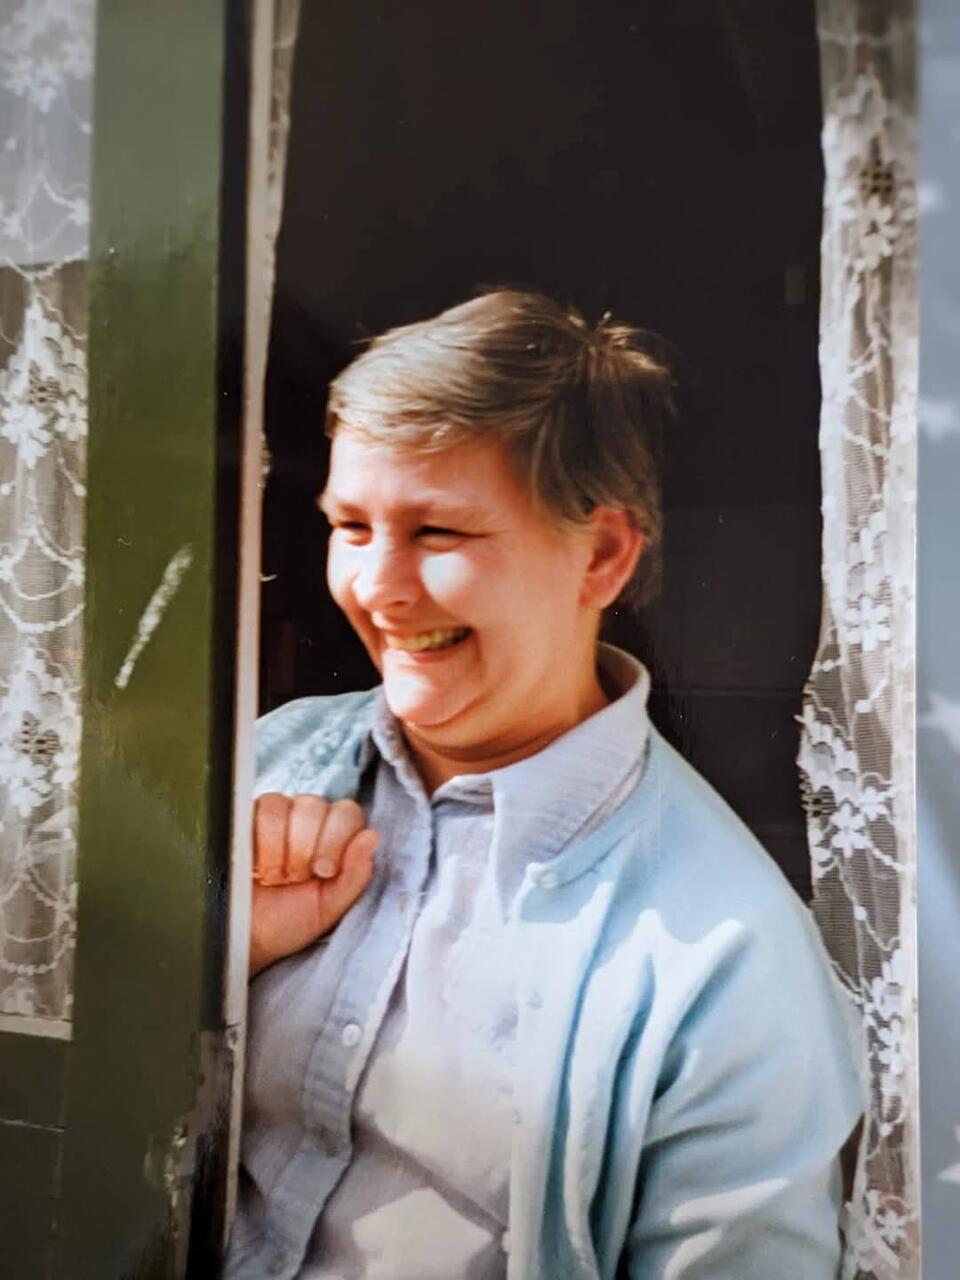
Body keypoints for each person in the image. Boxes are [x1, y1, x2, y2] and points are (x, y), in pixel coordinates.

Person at [227, 290, 864, 1279]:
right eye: (351, 525)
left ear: (601, 553)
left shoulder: (727, 960)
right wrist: (218, 951)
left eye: (438, 532)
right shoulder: (263, 767)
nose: (378, 586)